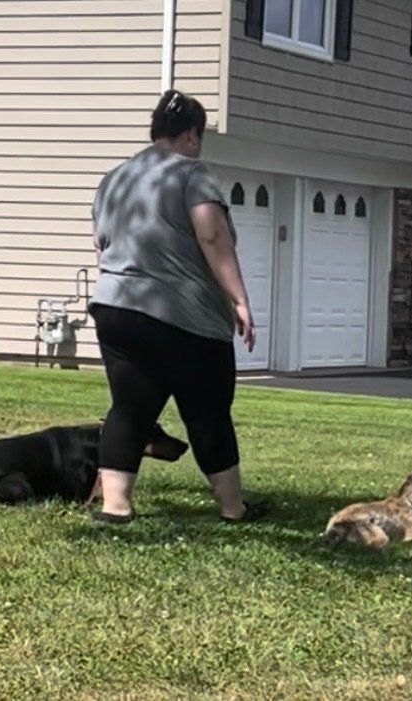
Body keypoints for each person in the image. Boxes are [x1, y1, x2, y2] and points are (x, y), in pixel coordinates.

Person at [85, 89, 268, 524]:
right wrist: (239, 299)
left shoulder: (114, 178)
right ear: (190, 135)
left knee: (128, 408)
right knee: (208, 413)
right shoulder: (192, 174)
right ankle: (232, 508)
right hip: (185, 317)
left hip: (116, 308)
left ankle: (115, 507)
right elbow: (212, 236)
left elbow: (101, 244)